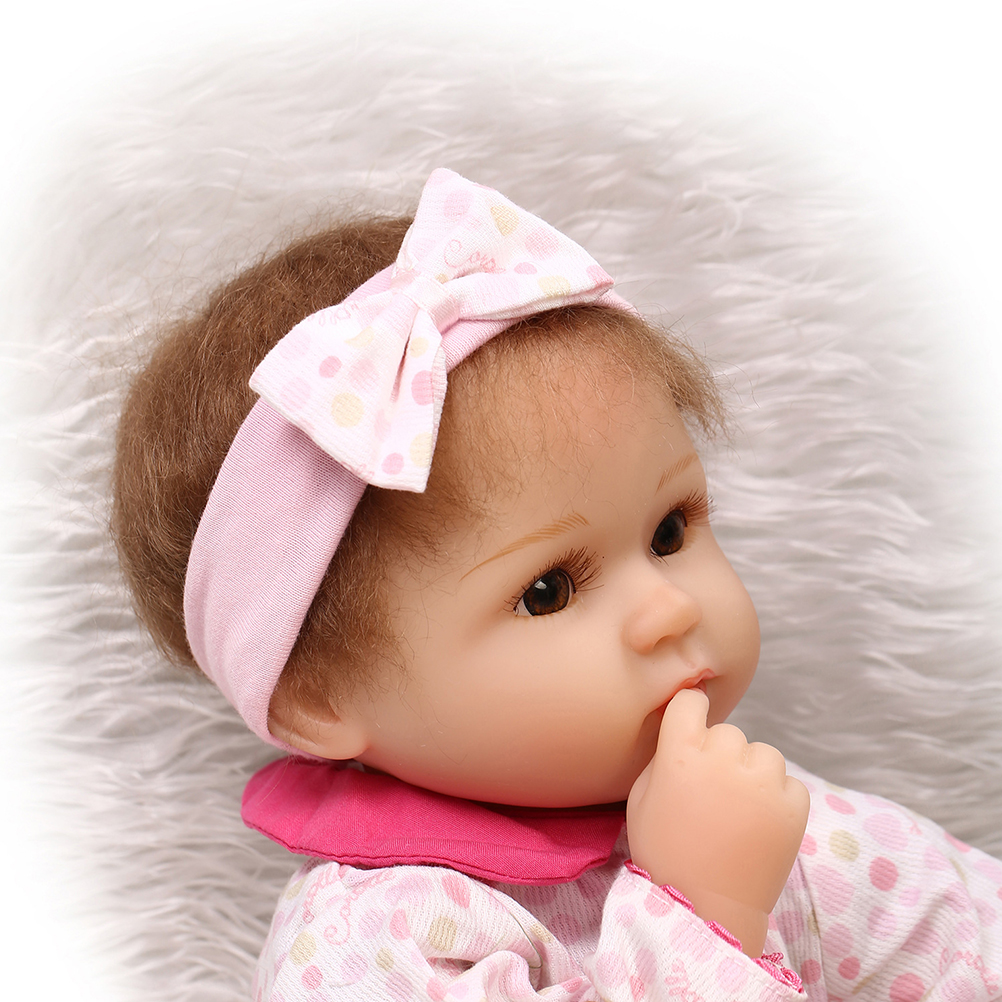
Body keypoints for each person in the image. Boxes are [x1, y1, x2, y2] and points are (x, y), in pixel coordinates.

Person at [113, 169, 1002, 1001]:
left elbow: (954, 924)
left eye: (669, 531)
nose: (670, 608)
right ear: (319, 698)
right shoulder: (372, 944)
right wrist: (703, 912)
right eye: (548, 590)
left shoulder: (733, 797)